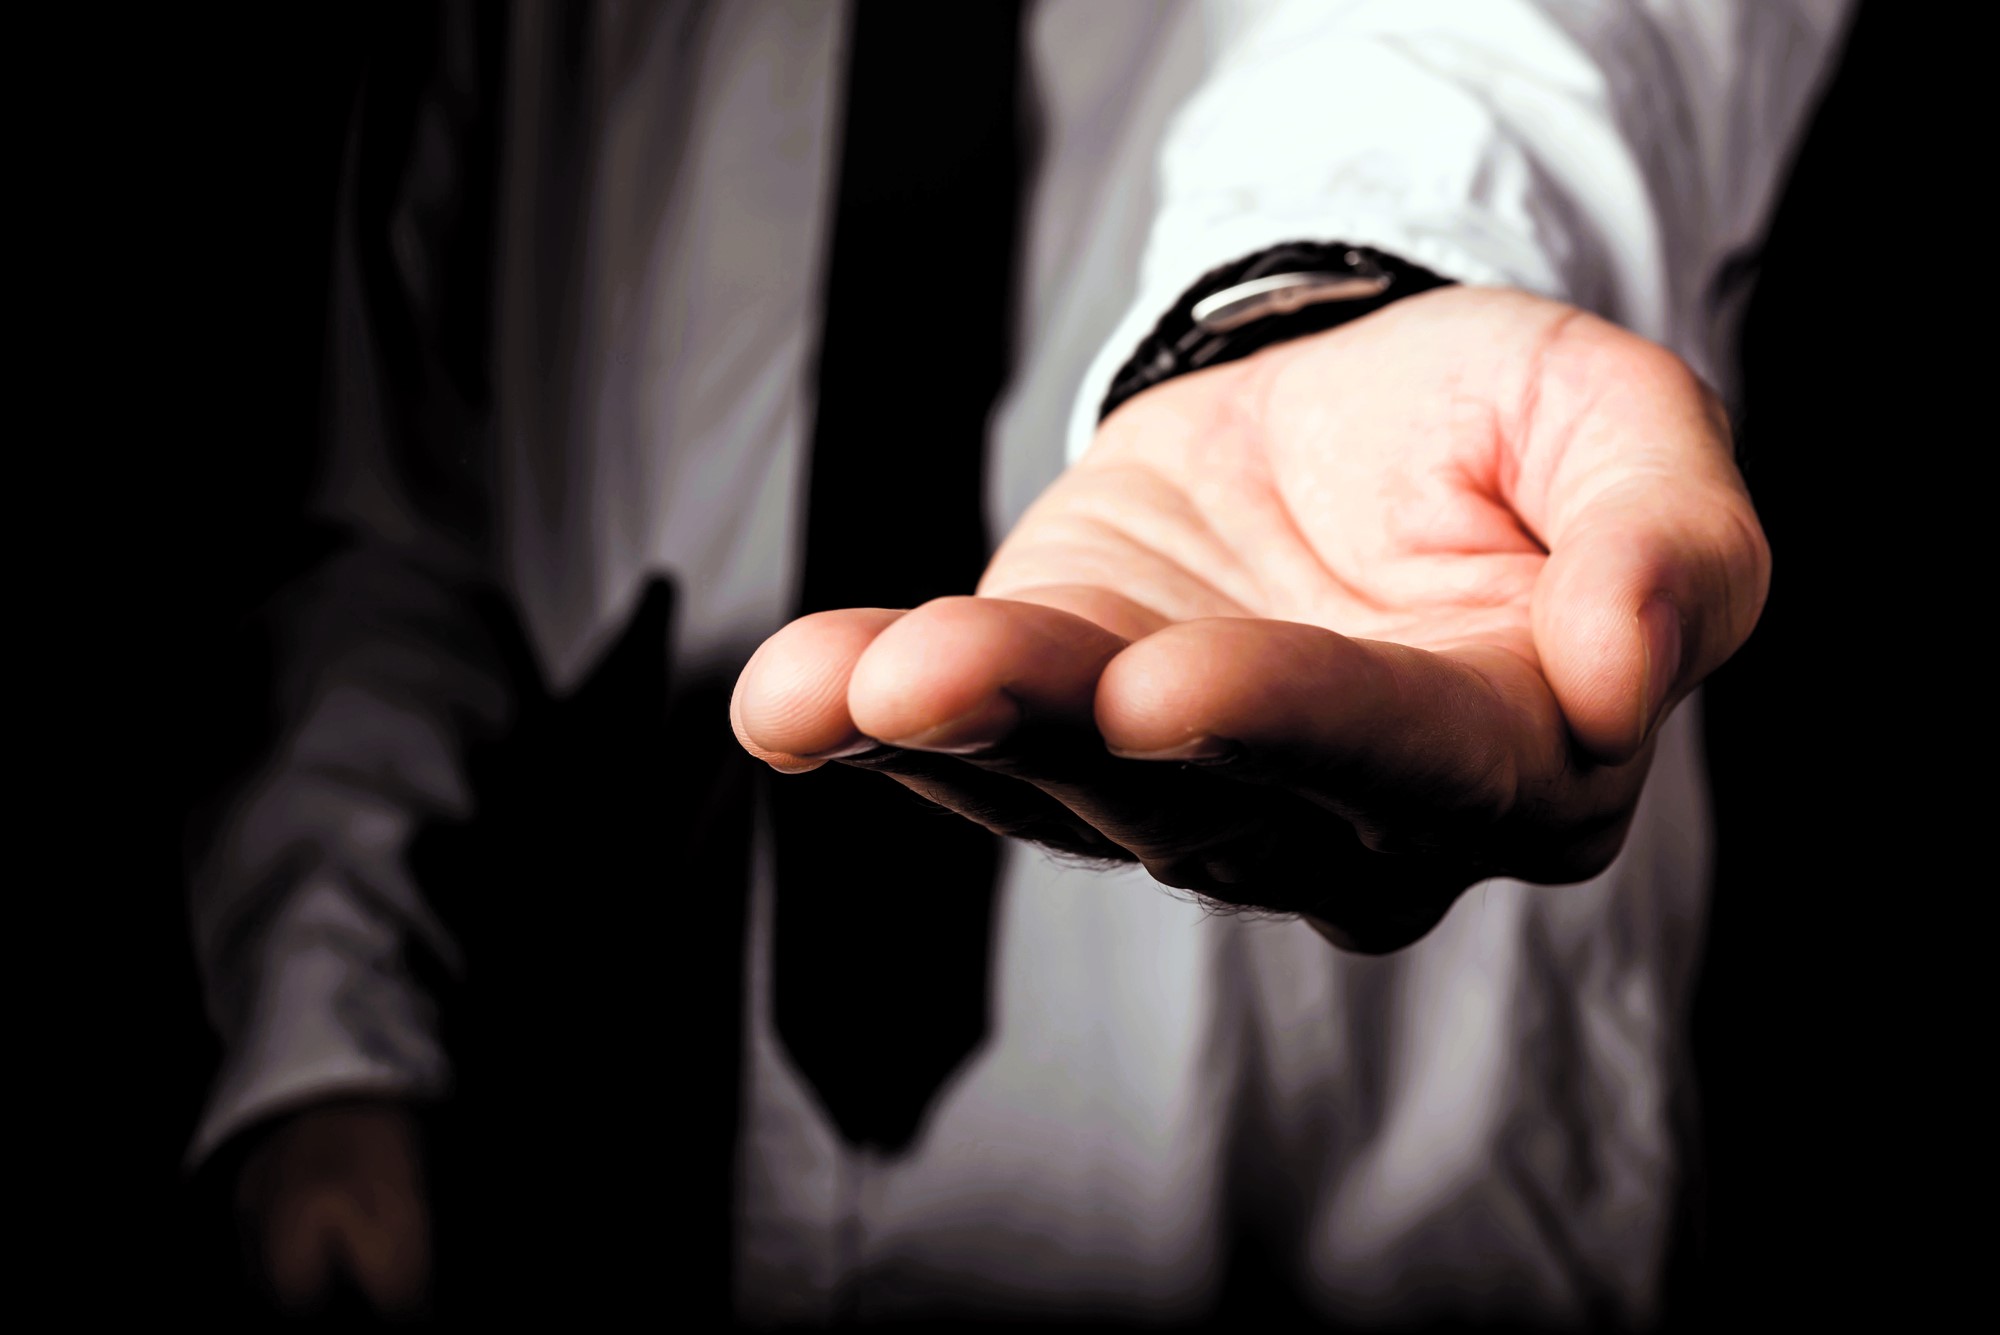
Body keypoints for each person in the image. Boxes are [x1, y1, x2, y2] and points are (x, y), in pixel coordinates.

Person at [182, 0, 1854, 1327]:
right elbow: (393, 529)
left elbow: (1522, 32)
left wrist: (1321, 287)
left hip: (1341, 1205)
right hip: (609, 1158)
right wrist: (331, 1032)